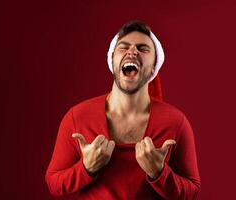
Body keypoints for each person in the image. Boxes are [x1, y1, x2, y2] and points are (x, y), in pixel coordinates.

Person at [45, 20, 201, 199]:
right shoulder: (77, 117)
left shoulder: (176, 122)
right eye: (123, 47)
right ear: (112, 60)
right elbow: (54, 183)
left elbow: (192, 190)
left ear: (154, 68)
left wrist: (159, 173)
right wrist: (85, 168)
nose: (132, 51)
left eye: (143, 49)